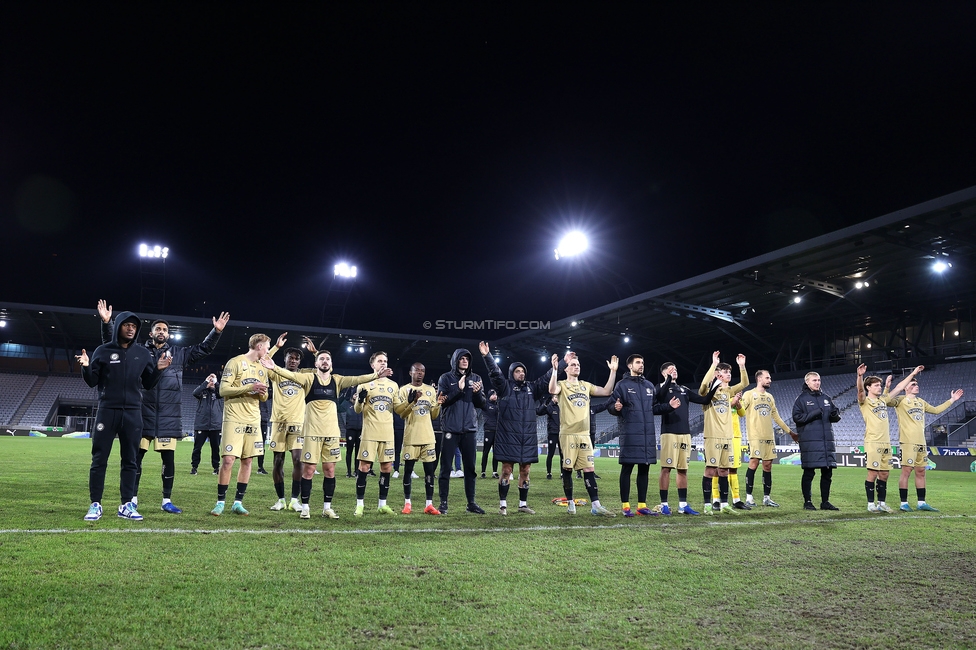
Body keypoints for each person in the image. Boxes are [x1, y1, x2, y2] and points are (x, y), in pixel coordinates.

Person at [98, 299, 229, 514]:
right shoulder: (138, 352)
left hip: (169, 415)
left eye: (165, 330)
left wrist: (215, 332)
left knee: (168, 459)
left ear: (168, 334)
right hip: (141, 412)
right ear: (151, 333)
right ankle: (132, 498)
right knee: (134, 459)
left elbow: (203, 349)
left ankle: (166, 500)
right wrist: (107, 323)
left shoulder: (179, 354)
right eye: (157, 329)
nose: (161, 331)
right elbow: (115, 347)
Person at [265, 341, 384, 519]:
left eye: (328, 359)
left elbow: (357, 379)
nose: (325, 361)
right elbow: (287, 374)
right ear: (316, 364)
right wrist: (274, 363)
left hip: (331, 432)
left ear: (332, 363)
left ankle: (326, 507)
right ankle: (303, 506)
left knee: (329, 470)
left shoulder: (337, 380)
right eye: (321, 359)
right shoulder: (307, 377)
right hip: (308, 430)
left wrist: (375, 375)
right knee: (307, 469)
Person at [78, 311, 170, 521]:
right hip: (107, 412)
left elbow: (147, 383)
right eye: (126, 325)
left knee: (130, 461)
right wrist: (85, 367)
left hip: (132, 413)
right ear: (118, 326)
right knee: (99, 459)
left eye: (134, 326)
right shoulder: (103, 351)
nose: (131, 329)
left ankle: (126, 505)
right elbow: (92, 381)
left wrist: (158, 370)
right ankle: (95, 504)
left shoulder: (143, 354)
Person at [479, 342, 564, 515]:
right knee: (506, 470)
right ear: (512, 373)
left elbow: (547, 378)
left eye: (523, 371)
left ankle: (522, 505)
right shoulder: (504, 388)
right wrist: (487, 356)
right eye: (517, 371)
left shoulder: (532, 387)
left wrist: (561, 364)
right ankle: (503, 504)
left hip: (527, 437)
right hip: (508, 437)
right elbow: (495, 373)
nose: (521, 373)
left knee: (525, 471)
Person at [607, 354, 680, 517]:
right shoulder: (622, 385)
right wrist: (615, 407)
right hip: (630, 434)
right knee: (627, 469)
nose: (641, 365)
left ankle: (642, 506)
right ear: (630, 366)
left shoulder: (648, 385)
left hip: (647, 436)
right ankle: (625, 506)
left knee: (644, 469)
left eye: (643, 362)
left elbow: (653, 408)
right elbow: (611, 405)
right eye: (638, 362)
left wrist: (669, 406)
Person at [548, 352, 619, 517]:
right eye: (573, 364)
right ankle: (570, 502)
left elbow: (607, 391)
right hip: (568, 434)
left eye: (578, 365)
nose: (576, 367)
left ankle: (596, 505)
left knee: (589, 469)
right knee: (567, 469)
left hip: (584, 435)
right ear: (566, 369)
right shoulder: (562, 384)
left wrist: (613, 371)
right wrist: (554, 369)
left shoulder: (586, 385)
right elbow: (551, 389)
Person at [885, 365, 963, 512]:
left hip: (921, 442)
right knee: (906, 471)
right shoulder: (900, 400)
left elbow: (936, 410)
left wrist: (952, 400)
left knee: (921, 471)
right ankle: (904, 503)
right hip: (907, 442)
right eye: (913, 384)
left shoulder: (921, 402)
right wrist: (887, 388)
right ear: (905, 388)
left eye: (917, 384)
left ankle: (921, 503)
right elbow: (886, 401)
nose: (916, 386)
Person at [211, 333, 272, 516]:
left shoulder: (263, 368)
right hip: (234, 417)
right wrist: (250, 387)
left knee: (248, 460)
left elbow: (265, 396)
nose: (268, 351)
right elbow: (223, 390)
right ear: (260, 346)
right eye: (267, 347)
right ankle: (220, 502)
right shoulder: (235, 362)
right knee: (229, 460)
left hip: (253, 418)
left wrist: (262, 393)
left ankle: (238, 502)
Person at [657, 362, 717, 515]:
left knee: (683, 469)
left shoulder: (684, 390)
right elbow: (659, 398)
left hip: (685, 433)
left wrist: (715, 385)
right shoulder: (660, 387)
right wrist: (668, 379)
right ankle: (664, 504)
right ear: (664, 373)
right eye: (671, 369)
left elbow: (704, 400)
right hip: (669, 432)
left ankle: (683, 505)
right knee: (666, 468)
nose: (674, 370)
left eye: (676, 368)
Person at [262, 337, 312, 513]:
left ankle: (294, 500)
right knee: (278, 462)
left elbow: (325, 371)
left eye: (296, 358)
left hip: (298, 423)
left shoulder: (304, 377)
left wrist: (315, 352)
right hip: (278, 423)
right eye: (290, 357)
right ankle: (280, 499)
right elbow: (264, 360)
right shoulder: (275, 373)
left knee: (298, 460)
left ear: (299, 362)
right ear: (285, 359)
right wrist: (276, 347)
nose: (293, 360)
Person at [436, 348, 488, 514]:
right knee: (445, 468)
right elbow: (442, 401)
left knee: (470, 469)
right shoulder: (445, 378)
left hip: (470, 429)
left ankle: (471, 503)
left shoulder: (476, 378)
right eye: (461, 358)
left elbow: (482, 404)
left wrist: (478, 393)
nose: (465, 361)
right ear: (455, 360)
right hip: (450, 428)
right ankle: (443, 503)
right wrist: (458, 389)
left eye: (467, 358)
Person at [698, 351, 748, 514]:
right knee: (710, 469)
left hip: (728, 436)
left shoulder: (729, 392)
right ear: (717, 374)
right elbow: (704, 386)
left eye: (729, 372)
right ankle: (707, 505)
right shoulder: (707, 394)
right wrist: (713, 365)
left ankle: (725, 504)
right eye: (725, 372)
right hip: (712, 436)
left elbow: (745, 382)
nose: (728, 374)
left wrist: (742, 366)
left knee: (724, 470)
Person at [393, 362, 446, 515]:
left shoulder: (430, 390)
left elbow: (434, 415)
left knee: (429, 473)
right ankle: (407, 503)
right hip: (411, 437)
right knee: (408, 471)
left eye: (422, 371)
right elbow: (402, 414)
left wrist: (438, 405)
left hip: (428, 437)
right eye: (417, 371)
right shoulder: (404, 390)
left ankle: (429, 504)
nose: (420, 373)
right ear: (411, 372)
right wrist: (412, 402)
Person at [354, 351, 401, 516]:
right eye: (380, 361)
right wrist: (360, 399)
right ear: (372, 365)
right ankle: (359, 504)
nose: (383, 363)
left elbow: (398, 409)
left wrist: (409, 402)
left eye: (385, 361)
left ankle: (382, 504)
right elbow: (357, 410)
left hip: (387, 433)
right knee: (364, 467)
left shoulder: (393, 385)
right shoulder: (364, 384)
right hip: (370, 433)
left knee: (386, 468)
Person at [740, 370, 795, 508]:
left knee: (768, 466)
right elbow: (740, 411)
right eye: (767, 378)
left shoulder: (770, 397)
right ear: (759, 379)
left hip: (769, 437)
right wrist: (736, 403)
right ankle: (749, 497)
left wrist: (790, 432)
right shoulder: (749, 394)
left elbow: (776, 417)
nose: (770, 380)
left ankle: (766, 498)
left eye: (769, 378)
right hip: (755, 436)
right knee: (753, 463)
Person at [792, 371, 841, 511]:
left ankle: (825, 502)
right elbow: (797, 418)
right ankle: (807, 502)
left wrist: (835, 414)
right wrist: (814, 413)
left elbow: (835, 416)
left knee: (827, 473)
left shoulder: (826, 398)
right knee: (809, 473)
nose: (817, 382)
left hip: (826, 442)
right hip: (810, 441)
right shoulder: (801, 399)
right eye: (814, 380)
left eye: (819, 380)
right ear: (807, 382)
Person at [856, 364, 897, 512]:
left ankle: (881, 503)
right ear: (869, 388)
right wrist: (860, 376)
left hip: (886, 442)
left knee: (885, 474)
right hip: (873, 442)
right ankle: (870, 504)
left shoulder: (882, 400)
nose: (879, 387)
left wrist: (914, 373)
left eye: (880, 385)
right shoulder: (864, 401)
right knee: (873, 473)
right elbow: (860, 391)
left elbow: (898, 389)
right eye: (876, 385)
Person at [191, 373, 223, 475]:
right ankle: (194, 467)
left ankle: (216, 467)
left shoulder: (218, 394)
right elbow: (195, 393)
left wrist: (216, 382)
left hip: (215, 425)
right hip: (201, 424)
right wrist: (205, 383)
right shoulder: (202, 392)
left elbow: (222, 392)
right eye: (210, 380)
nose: (211, 382)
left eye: (212, 381)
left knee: (215, 448)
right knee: (197, 448)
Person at [339, 387, 362, 478]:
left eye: (357, 394)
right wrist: (347, 391)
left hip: (359, 430)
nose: (356, 396)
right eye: (355, 394)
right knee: (349, 451)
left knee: (358, 452)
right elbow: (339, 403)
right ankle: (348, 471)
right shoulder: (347, 404)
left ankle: (356, 471)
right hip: (350, 430)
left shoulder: (361, 405)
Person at [538, 395, 561, 479]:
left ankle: (562, 473)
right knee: (551, 454)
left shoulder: (560, 407)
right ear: (552, 398)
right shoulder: (549, 407)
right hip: (552, 433)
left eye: (558, 397)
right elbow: (539, 412)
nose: (557, 398)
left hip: (561, 434)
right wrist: (544, 404)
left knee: (562, 454)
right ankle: (549, 473)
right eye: (556, 397)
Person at [479, 389, 499, 479]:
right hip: (488, 431)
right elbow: (479, 400)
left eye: (496, 394)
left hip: (496, 432)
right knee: (485, 452)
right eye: (493, 394)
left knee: (496, 453)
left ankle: (495, 472)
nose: (495, 396)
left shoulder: (498, 405)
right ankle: (483, 471)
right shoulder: (485, 404)